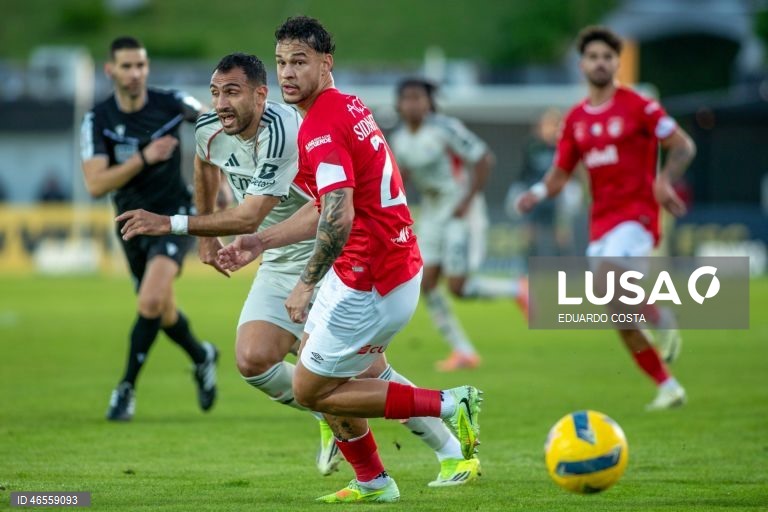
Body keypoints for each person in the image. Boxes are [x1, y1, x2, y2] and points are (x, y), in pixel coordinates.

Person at [116, 53, 479, 485]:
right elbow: (204, 164)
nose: (220, 104)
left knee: (359, 375)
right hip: (275, 256)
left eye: (232, 93)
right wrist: (207, 234)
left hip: (321, 255)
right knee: (253, 360)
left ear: (260, 94)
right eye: (215, 93)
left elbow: (251, 216)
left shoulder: (289, 129)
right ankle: (347, 434)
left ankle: (447, 452)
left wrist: (171, 224)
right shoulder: (211, 128)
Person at [216, 16, 483, 503]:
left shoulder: (320, 125)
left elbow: (339, 215)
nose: (288, 73)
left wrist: (305, 283)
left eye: (300, 62)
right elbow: (326, 205)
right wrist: (263, 242)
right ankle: (376, 481)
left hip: (371, 279)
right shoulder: (347, 106)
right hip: (378, 266)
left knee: (311, 389)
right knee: (341, 377)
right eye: (281, 63)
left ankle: (450, 404)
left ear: (326, 63)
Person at [516, 26, 695, 410]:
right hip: (602, 223)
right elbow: (560, 173)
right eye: (594, 57)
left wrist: (664, 181)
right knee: (618, 312)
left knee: (605, 280)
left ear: (617, 63)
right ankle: (668, 385)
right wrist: (535, 193)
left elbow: (683, 145)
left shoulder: (640, 105)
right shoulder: (577, 119)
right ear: (582, 64)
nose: (601, 63)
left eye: (608, 57)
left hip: (638, 217)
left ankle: (659, 313)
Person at [80, 36, 218, 421]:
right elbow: (95, 184)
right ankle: (201, 355)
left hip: (175, 215)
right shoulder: (99, 120)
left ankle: (125, 389)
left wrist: (220, 185)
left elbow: (215, 123)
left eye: (141, 65)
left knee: (149, 301)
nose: (135, 73)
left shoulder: (172, 103)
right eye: (127, 66)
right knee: (162, 309)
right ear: (111, 71)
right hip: (131, 226)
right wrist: (144, 157)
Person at [389, 79, 528, 371]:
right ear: (399, 104)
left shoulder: (445, 129)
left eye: (419, 97)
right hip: (432, 213)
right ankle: (463, 351)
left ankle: (517, 289)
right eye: (408, 98)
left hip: (459, 211)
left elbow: (483, 159)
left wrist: (467, 200)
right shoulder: (399, 140)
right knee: (426, 283)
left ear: (429, 102)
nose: (413, 103)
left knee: (457, 287)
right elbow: (401, 178)